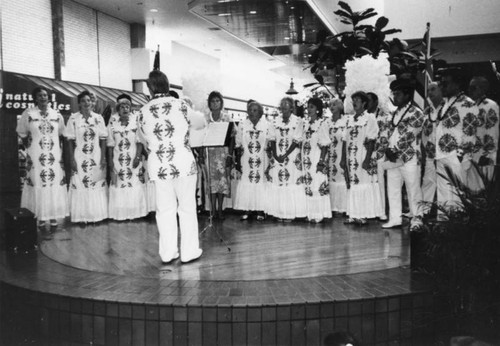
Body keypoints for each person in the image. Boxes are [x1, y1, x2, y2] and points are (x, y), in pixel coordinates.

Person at [138, 70, 205, 264]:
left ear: (150, 88)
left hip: (159, 165)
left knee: (164, 210)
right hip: (183, 164)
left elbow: (143, 138)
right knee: (187, 208)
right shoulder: (181, 105)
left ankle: (168, 253)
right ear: (167, 86)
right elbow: (201, 123)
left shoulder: (143, 111)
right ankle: (189, 252)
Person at [16, 86, 69, 227]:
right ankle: (40, 215)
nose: (43, 97)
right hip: (36, 155)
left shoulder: (56, 114)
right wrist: (28, 146)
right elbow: (21, 132)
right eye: (40, 95)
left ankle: (52, 215)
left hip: (53, 155)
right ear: (35, 98)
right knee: (38, 182)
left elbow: (61, 133)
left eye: (45, 95)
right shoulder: (28, 113)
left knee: (53, 182)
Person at [382, 79, 425, 230]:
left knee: (413, 188)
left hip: (409, 158)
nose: (395, 97)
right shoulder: (394, 113)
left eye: (398, 94)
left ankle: (417, 218)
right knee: (392, 188)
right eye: (393, 94)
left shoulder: (417, 113)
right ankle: (395, 218)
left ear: (407, 95)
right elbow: (387, 132)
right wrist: (387, 149)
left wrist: (395, 151)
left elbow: (410, 135)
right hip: (393, 157)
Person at [435, 68, 479, 211]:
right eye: (441, 83)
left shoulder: (468, 104)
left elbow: (471, 132)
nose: (442, 87)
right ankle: (444, 223)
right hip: (441, 155)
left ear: (457, 84)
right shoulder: (445, 103)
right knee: (443, 194)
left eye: (446, 83)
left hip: (456, 156)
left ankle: (458, 226)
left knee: (458, 196)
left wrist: (464, 156)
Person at [340, 91, 384, 225]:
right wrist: (343, 159)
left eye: (358, 100)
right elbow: (344, 140)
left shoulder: (369, 118)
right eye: (353, 100)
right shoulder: (348, 119)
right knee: (352, 185)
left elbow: (372, 140)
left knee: (364, 184)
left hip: (363, 156)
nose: (355, 102)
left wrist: (367, 159)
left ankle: (363, 214)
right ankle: (353, 214)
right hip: (351, 157)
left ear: (364, 103)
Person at [65, 90, 108, 223]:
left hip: (95, 156)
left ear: (92, 102)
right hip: (80, 157)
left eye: (88, 100)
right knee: (80, 184)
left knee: (96, 183)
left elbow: (103, 139)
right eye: (83, 101)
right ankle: (82, 217)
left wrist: (103, 158)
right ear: (79, 103)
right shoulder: (73, 119)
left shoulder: (98, 118)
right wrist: (72, 159)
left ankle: (96, 215)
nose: (86, 103)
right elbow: (69, 141)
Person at [106, 94, 147, 220]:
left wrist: (138, 157)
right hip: (118, 160)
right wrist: (110, 161)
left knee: (134, 183)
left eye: (127, 106)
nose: (125, 109)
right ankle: (121, 214)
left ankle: (135, 213)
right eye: (122, 107)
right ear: (118, 109)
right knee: (119, 184)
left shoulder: (136, 121)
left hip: (133, 159)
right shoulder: (112, 122)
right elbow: (110, 144)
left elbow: (140, 141)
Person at [266, 96, 306, 221]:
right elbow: (272, 138)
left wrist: (286, 154)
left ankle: (290, 213)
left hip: (292, 157)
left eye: (286, 104)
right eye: (282, 104)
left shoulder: (298, 121)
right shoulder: (274, 121)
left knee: (291, 182)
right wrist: (276, 154)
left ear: (292, 107)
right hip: (277, 156)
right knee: (278, 183)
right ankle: (279, 212)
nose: (283, 107)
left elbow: (296, 140)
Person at [234, 100, 270, 221]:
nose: (252, 113)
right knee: (247, 182)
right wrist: (237, 162)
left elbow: (270, 143)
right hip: (246, 159)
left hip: (262, 159)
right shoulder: (242, 125)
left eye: (255, 110)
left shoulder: (267, 125)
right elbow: (238, 144)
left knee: (260, 183)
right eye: (250, 110)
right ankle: (247, 209)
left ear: (260, 113)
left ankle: (260, 210)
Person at [299, 97, 332, 223]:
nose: (309, 109)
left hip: (316, 159)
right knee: (308, 185)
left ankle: (318, 214)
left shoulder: (322, 124)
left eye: (312, 107)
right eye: (308, 107)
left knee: (317, 185)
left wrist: (321, 162)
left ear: (318, 110)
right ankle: (309, 213)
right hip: (306, 160)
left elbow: (324, 145)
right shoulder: (305, 124)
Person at [204, 91, 233, 220]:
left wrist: (230, 155)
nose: (215, 103)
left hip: (222, 153)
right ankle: (213, 210)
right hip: (209, 153)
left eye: (217, 101)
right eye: (212, 101)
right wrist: (200, 154)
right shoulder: (205, 118)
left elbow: (232, 138)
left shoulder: (226, 118)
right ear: (209, 104)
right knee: (211, 182)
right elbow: (200, 137)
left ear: (221, 103)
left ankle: (220, 209)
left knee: (221, 182)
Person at [469, 76, 499, 182]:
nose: (470, 91)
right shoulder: (472, 105)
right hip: (472, 156)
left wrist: (487, 155)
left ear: (482, 89)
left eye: (473, 88)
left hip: (485, 157)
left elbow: (492, 132)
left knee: (486, 190)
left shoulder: (491, 106)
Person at [421, 82, 445, 210]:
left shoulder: (448, 108)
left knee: (445, 185)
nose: (430, 93)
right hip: (431, 155)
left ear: (441, 90)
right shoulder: (427, 111)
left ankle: (446, 215)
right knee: (428, 182)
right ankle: (424, 211)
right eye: (428, 90)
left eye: (433, 89)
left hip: (446, 155)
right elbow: (423, 135)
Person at [367, 92, 390, 221]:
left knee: (380, 182)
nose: (366, 103)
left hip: (379, 154)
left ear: (376, 102)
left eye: (369, 100)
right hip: (366, 154)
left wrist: (378, 152)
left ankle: (382, 211)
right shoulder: (364, 116)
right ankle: (369, 210)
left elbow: (385, 137)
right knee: (368, 183)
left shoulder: (384, 117)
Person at [326, 98, 348, 214]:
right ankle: (332, 207)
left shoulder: (345, 121)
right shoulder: (327, 122)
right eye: (330, 105)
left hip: (340, 153)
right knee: (330, 178)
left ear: (340, 106)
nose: (332, 107)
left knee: (341, 178)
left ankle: (343, 207)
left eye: (334, 105)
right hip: (329, 155)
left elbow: (346, 139)